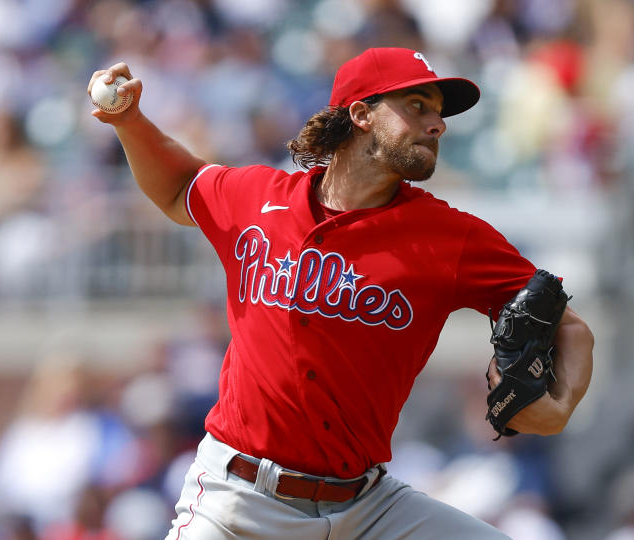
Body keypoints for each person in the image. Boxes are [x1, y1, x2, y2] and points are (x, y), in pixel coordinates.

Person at [89, 47, 594, 539]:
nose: (436, 125)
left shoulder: (449, 237)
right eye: (417, 107)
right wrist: (130, 121)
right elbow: (181, 185)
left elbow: (567, 324)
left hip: (367, 508)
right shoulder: (257, 200)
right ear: (361, 114)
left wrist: (560, 406)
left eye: (438, 113)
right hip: (239, 501)